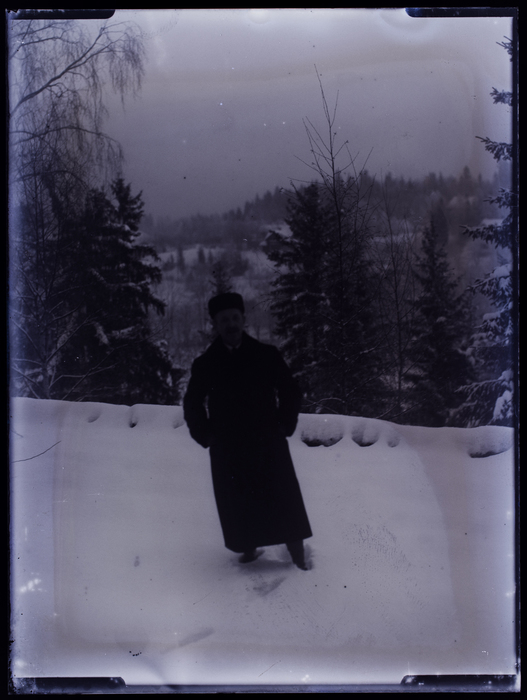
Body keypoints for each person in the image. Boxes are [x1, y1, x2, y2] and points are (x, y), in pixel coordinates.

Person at [183, 292, 312, 570]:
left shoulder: (266, 355)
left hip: (268, 443)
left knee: (284, 501)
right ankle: (249, 554)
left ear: (243, 319)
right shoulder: (206, 364)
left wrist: (284, 424)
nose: (230, 324)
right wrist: (206, 435)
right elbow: (192, 403)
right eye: (224, 320)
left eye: (234, 317)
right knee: (239, 504)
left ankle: (299, 560)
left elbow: (290, 391)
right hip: (229, 448)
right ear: (215, 324)